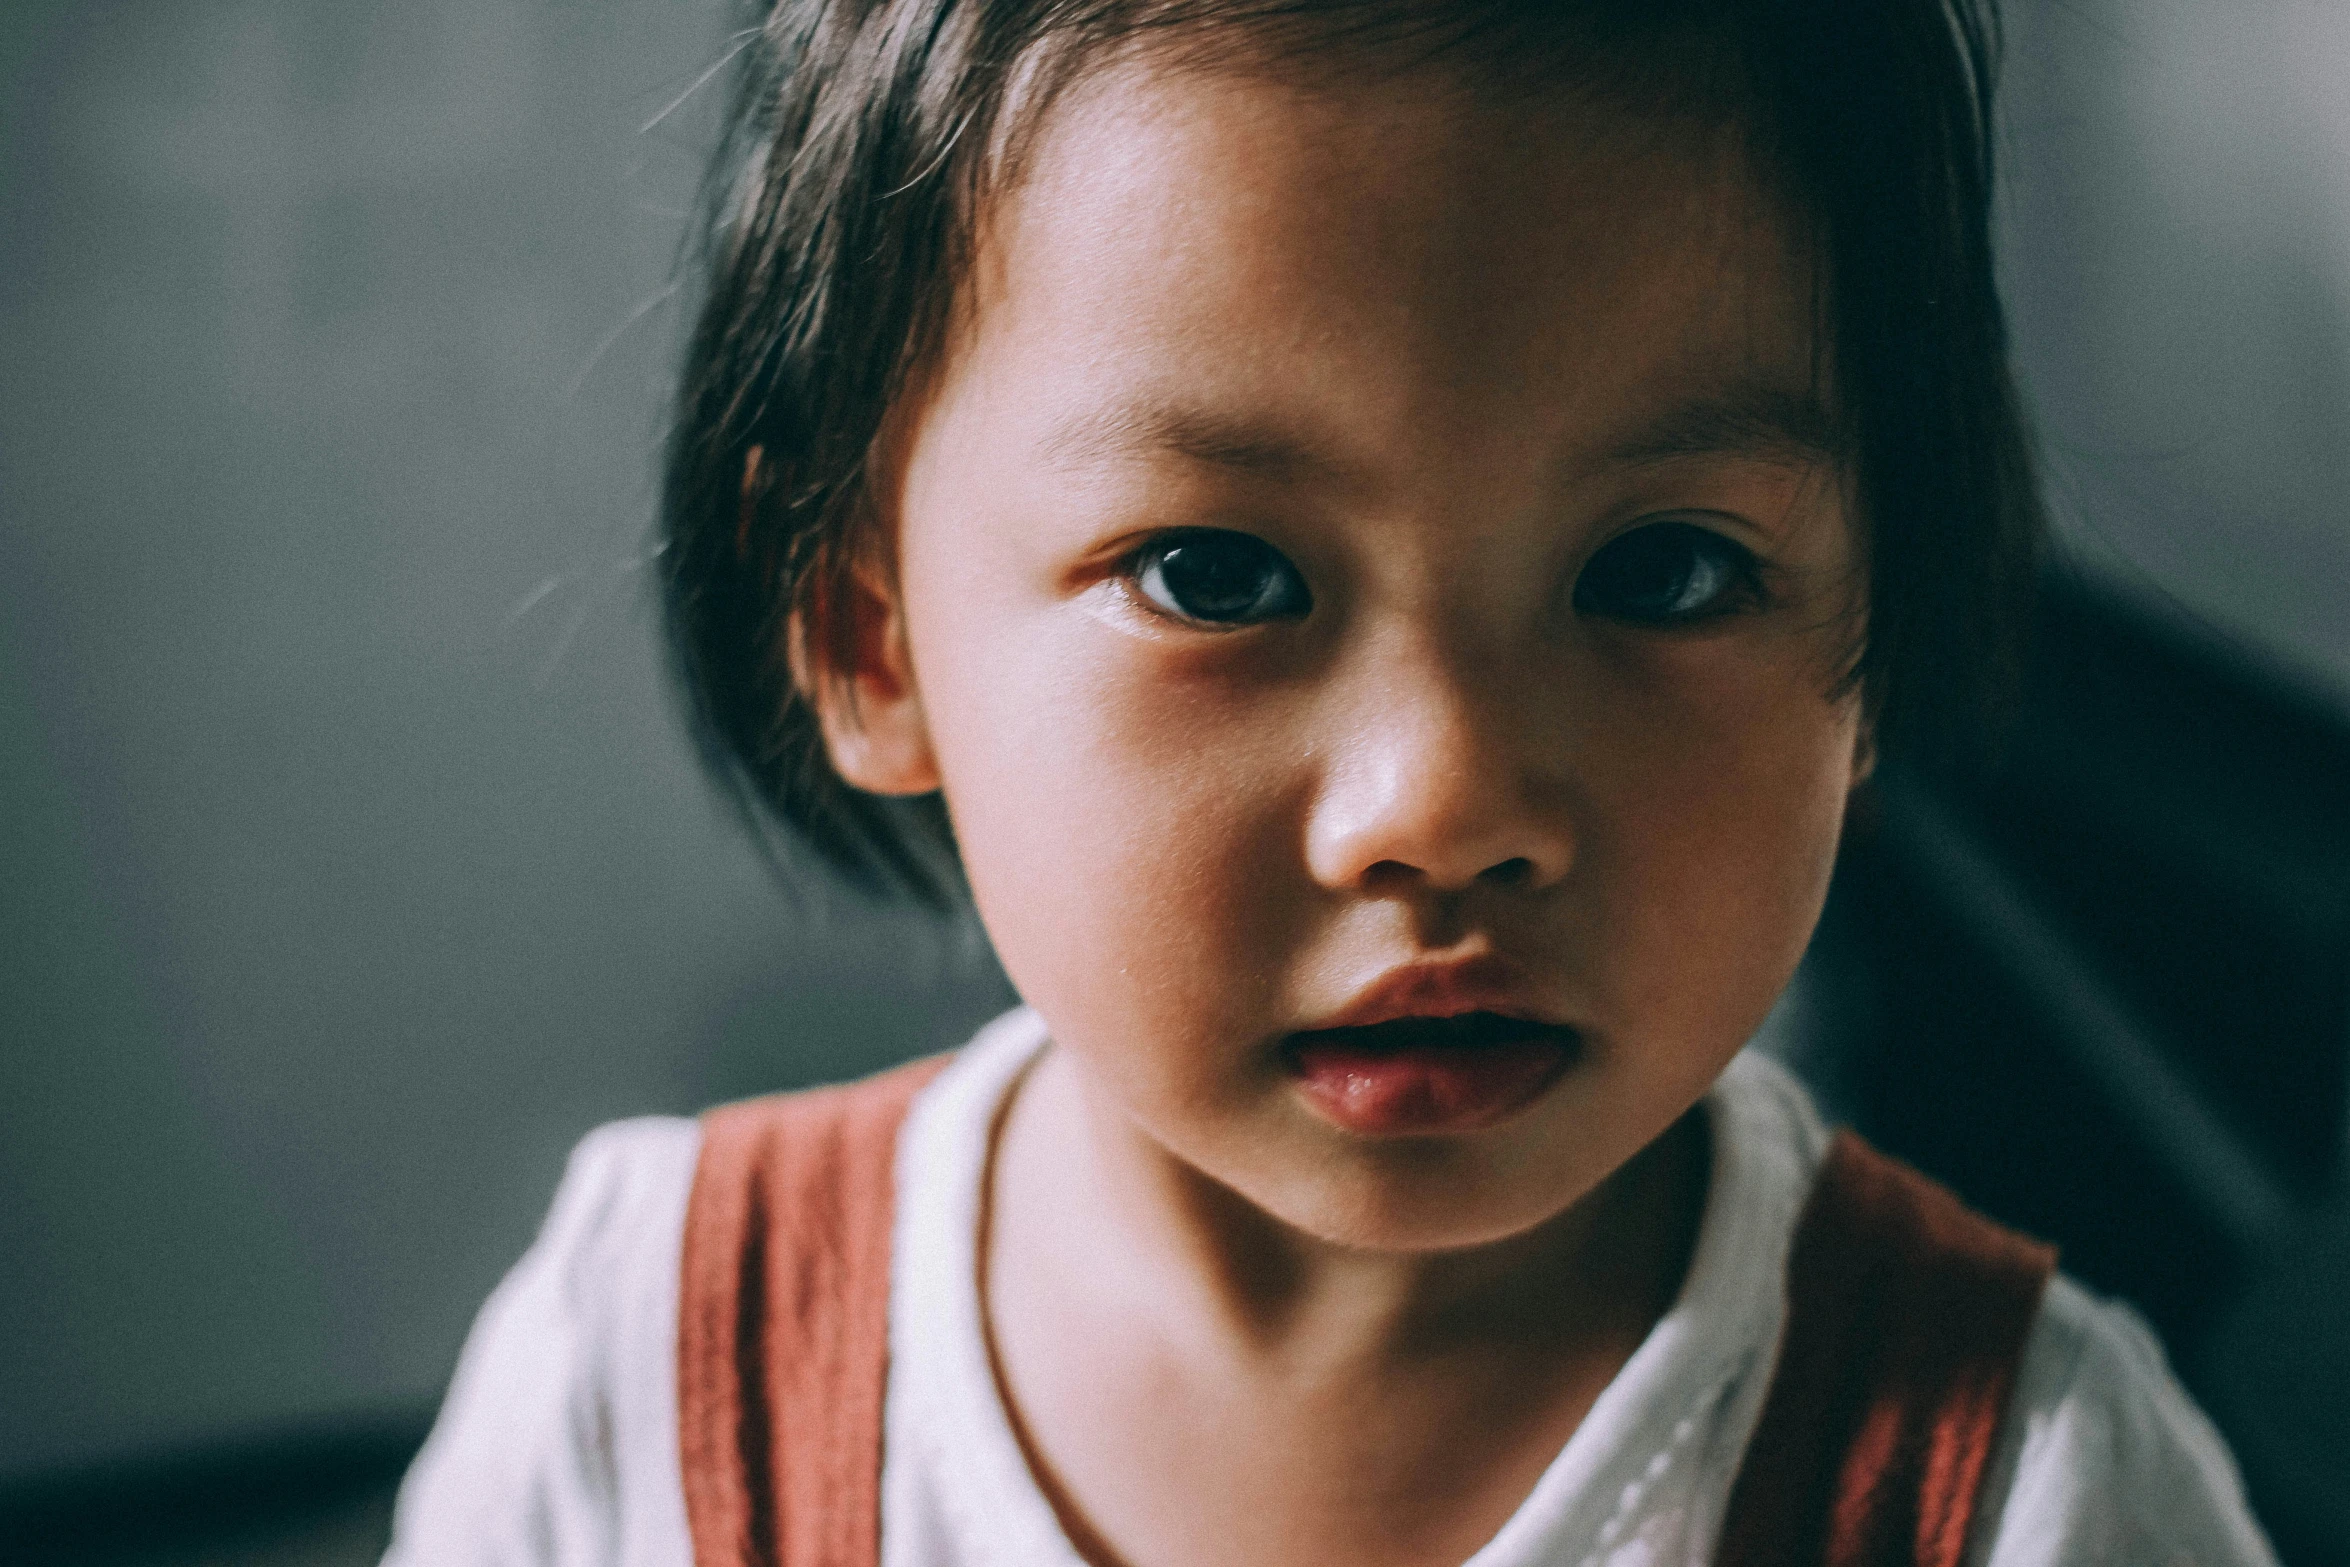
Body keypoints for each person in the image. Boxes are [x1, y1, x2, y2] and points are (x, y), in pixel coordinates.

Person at [384, 0, 2280, 1562]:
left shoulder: (2028, 1488)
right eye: (1217, 575)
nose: (1442, 804)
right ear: (871, 637)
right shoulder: (651, 1366)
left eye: (1664, 572)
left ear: (1871, 624)